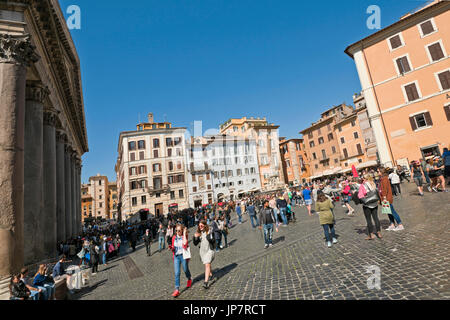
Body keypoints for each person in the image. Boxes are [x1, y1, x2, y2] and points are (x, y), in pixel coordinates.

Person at [169, 224, 192, 298]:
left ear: (181, 231)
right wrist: (171, 248)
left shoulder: (183, 237)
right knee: (177, 273)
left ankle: (189, 278)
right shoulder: (174, 238)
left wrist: (184, 233)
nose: (177, 232)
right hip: (176, 256)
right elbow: (173, 247)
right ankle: (177, 289)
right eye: (176, 231)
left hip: (183, 256)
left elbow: (185, 245)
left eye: (179, 231)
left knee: (185, 269)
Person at [193, 220, 216, 289]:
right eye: (199, 226)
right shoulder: (199, 233)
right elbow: (195, 244)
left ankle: (206, 282)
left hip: (209, 250)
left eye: (202, 226)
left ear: (205, 225)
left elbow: (213, 240)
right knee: (207, 264)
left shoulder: (209, 231)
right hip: (202, 252)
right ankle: (210, 273)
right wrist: (195, 237)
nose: (200, 227)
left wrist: (209, 234)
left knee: (207, 264)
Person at [358, 175, 381, 240]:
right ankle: (379, 232)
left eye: (363, 178)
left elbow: (360, 196)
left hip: (367, 204)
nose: (362, 180)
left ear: (365, 179)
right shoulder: (373, 184)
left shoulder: (363, 185)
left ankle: (371, 234)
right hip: (374, 203)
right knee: (376, 218)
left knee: (369, 220)